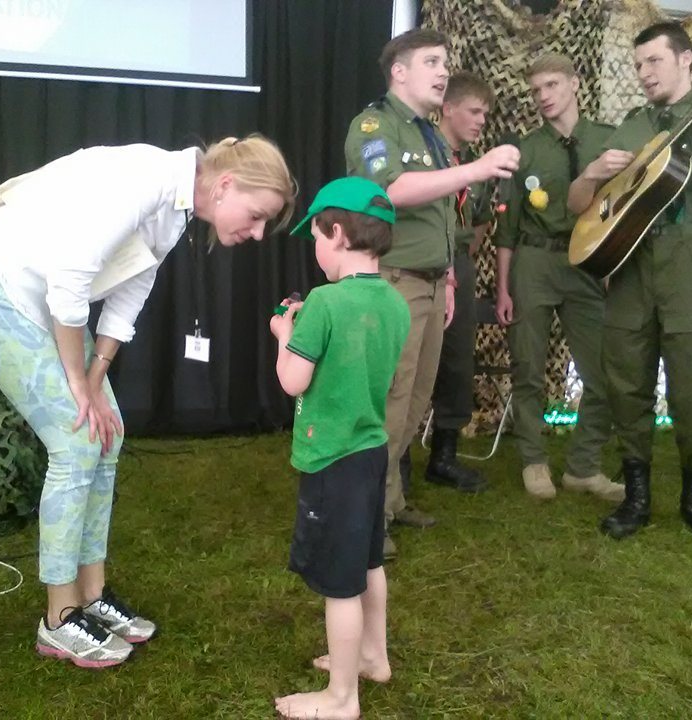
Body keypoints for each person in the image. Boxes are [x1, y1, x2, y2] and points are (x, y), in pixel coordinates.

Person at [0, 137, 295, 667]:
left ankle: (92, 596)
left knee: (105, 435)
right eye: (255, 217)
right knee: (76, 441)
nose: (256, 233)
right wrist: (78, 380)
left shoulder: (175, 207)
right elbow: (69, 282)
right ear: (225, 185)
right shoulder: (145, 178)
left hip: (47, 298)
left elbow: (133, 288)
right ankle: (58, 619)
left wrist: (96, 371)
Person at [567, 22, 692, 548]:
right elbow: (581, 206)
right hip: (631, 268)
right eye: (638, 65)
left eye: (653, 61)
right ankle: (637, 497)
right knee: (626, 383)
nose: (644, 73)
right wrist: (590, 174)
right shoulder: (633, 124)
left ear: (686, 60)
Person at [345, 28, 520, 557]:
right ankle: (364, 519)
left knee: (415, 400)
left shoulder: (429, 137)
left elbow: (444, 214)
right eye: (432, 62)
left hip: (428, 282)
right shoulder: (374, 125)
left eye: (446, 62)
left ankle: (391, 503)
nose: (444, 72)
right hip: (393, 281)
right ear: (399, 70)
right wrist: (479, 167)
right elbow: (391, 191)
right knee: (389, 404)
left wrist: (446, 277)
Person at [269, 177, 409, 720]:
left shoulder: (323, 304)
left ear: (337, 232)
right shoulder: (396, 304)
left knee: (339, 584)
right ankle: (374, 655)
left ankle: (341, 698)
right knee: (369, 561)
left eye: (317, 238)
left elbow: (293, 382)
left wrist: (287, 333)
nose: (316, 249)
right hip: (371, 451)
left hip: (331, 459)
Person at [494, 53, 624, 502]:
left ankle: (583, 466)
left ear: (574, 82)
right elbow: (506, 228)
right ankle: (533, 459)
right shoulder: (525, 149)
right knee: (528, 367)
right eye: (536, 91)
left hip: (588, 263)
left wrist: (611, 266)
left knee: (603, 371)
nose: (543, 97)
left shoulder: (609, 142)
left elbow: (624, 209)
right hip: (535, 261)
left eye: (551, 85)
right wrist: (504, 287)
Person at [424, 71, 495, 494]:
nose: (481, 120)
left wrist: (460, 262)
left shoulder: (478, 167)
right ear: (447, 108)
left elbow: (482, 221)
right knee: (410, 360)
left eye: (485, 113)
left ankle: (443, 456)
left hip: (459, 266)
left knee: (456, 360)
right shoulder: (421, 155)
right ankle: (395, 460)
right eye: (474, 111)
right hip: (419, 262)